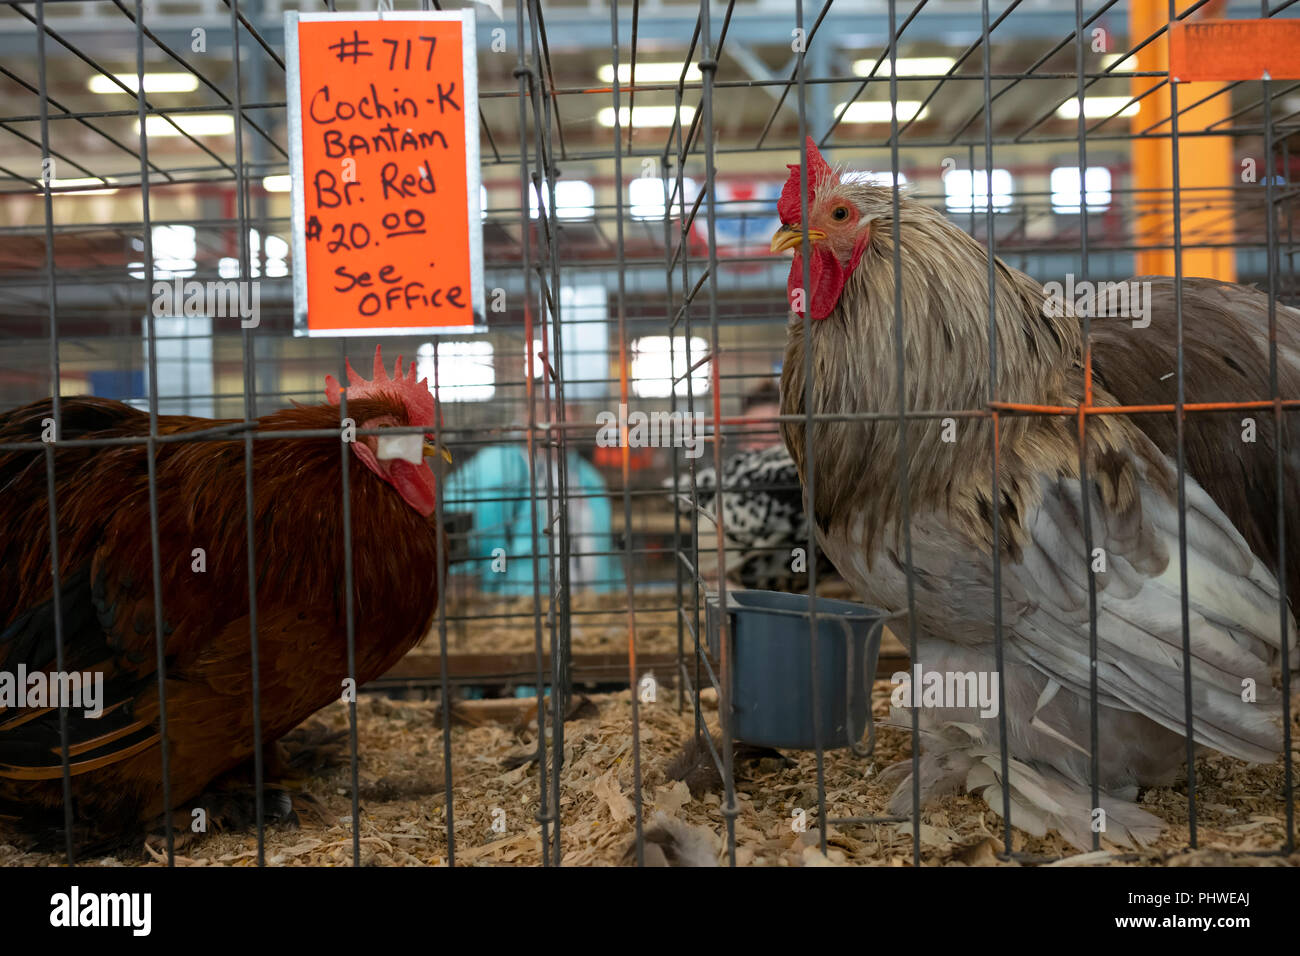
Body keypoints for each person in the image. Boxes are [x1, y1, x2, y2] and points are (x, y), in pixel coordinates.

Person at [443, 411, 624, 596]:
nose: (566, 418)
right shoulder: (498, 467)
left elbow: (607, 553)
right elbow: (466, 542)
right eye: (553, 408)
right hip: (518, 604)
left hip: (589, 605)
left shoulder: (589, 477)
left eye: (574, 409)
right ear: (528, 413)